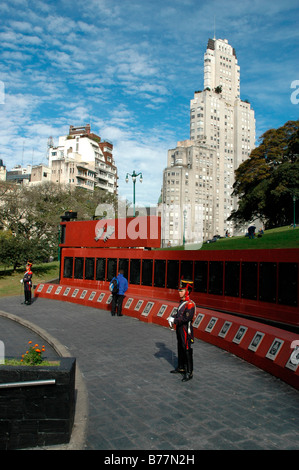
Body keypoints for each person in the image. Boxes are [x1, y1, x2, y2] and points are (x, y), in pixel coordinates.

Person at [169, 279, 195, 382]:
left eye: (182, 290)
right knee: (180, 346)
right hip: (179, 327)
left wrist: (174, 320)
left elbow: (186, 318)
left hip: (185, 329)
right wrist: (172, 317)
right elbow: (179, 314)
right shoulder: (183, 302)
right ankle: (181, 367)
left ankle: (189, 371)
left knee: (186, 348)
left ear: (187, 291)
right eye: (179, 290)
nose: (179, 292)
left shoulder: (190, 304)